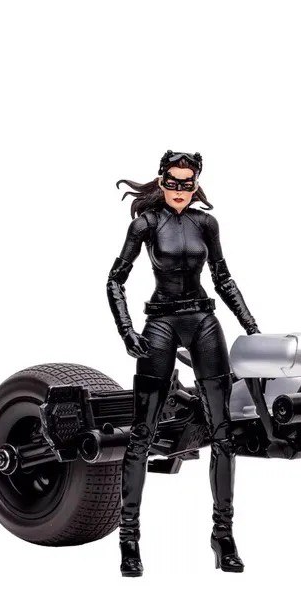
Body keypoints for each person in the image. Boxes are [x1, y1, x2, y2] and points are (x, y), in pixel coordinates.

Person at [107, 150, 259, 577]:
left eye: (186, 183)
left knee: (223, 434)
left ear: (195, 185)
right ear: (161, 181)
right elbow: (115, 279)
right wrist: (126, 331)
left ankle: (223, 535)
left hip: (204, 323)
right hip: (160, 323)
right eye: (172, 182)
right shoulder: (145, 224)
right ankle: (129, 538)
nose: (178, 190)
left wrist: (251, 326)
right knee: (142, 434)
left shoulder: (206, 223)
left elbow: (223, 278)